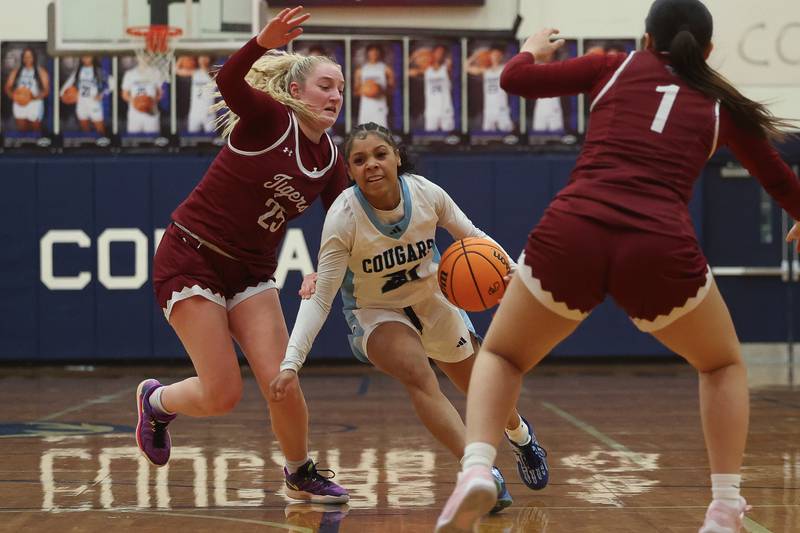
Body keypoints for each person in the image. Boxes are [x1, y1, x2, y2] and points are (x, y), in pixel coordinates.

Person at [436, 0, 800, 531]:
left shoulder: (614, 65)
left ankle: (477, 468)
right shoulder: (722, 107)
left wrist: (531, 50)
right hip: (658, 245)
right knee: (721, 366)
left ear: (646, 40)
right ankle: (724, 506)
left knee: (504, 355)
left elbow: (514, 80)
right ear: (708, 51)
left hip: (574, 230)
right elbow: (782, 180)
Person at [269, 122, 550, 514]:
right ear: (350, 171)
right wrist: (291, 363)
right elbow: (320, 299)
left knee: (481, 387)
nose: (371, 164)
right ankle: (481, 472)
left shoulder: (425, 193)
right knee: (419, 374)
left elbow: (472, 236)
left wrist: (513, 273)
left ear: (397, 157)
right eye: (359, 160)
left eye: (380, 154)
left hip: (432, 298)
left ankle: (520, 436)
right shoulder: (343, 217)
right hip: (375, 311)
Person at [136, 6, 350, 504]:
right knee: (222, 394)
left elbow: (344, 222)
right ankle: (156, 401)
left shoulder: (330, 158)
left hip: (251, 272)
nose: (335, 96)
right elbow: (229, 81)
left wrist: (323, 269)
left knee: (282, 380)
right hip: (193, 255)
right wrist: (261, 42)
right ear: (295, 91)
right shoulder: (269, 119)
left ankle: (299, 472)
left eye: (340, 89)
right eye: (325, 86)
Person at [466, 44, 513, 132]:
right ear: (490, 56)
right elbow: (466, 67)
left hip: (501, 107)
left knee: (508, 134)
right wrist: (476, 55)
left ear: (501, 56)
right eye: (493, 54)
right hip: (489, 109)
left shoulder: (504, 68)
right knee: (487, 136)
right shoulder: (486, 70)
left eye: (497, 55)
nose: (495, 57)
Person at [409, 44, 455, 132]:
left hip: (446, 110)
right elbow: (407, 72)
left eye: (442, 53)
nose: (439, 55)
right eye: (437, 52)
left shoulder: (447, 69)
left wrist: (448, 60)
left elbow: (463, 66)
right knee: (430, 137)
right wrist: (414, 56)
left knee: (450, 136)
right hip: (431, 111)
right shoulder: (426, 70)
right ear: (432, 54)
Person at [60, 55, 109, 136]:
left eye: (88, 56)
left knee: (100, 129)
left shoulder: (99, 70)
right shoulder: (78, 71)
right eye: (84, 56)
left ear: (93, 57)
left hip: (93, 103)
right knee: (84, 129)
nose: (86, 58)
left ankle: (103, 143)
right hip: (81, 103)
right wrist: (62, 95)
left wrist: (102, 95)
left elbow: (112, 84)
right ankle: (88, 143)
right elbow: (67, 84)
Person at [4, 47, 50, 132]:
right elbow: (7, 87)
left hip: (35, 105)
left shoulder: (41, 72)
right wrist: (13, 96)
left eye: (30, 56)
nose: (27, 59)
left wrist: (33, 97)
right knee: (22, 132)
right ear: (22, 58)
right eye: (25, 56)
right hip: (19, 105)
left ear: (34, 57)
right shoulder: (16, 71)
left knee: (36, 132)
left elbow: (46, 90)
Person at [354, 43, 395, 128]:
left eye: (376, 53)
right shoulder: (360, 70)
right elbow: (356, 91)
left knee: (381, 129)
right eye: (371, 53)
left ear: (380, 54)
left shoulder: (386, 69)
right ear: (367, 54)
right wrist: (367, 90)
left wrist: (379, 90)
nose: (373, 55)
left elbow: (392, 89)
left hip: (380, 104)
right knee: (365, 129)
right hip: (366, 105)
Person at [120, 57, 163, 134]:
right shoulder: (129, 74)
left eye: (146, 56)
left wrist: (149, 102)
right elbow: (124, 95)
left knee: (153, 139)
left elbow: (160, 93)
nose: (144, 58)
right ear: (137, 58)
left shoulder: (156, 73)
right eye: (141, 56)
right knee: (133, 139)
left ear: (150, 57)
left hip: (151, 113)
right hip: (134, 114)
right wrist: (138, 101)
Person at [186, 55, 216, 134]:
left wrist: (205, 66)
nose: (203, 59)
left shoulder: (213, 73)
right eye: (201, 57)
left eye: (205, 57)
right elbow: (177, 70)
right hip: (195, 113)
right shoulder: (195, 72)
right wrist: (181, 59)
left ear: (209, 59)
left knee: (211, 138)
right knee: (192, 139)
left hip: (209, 113)